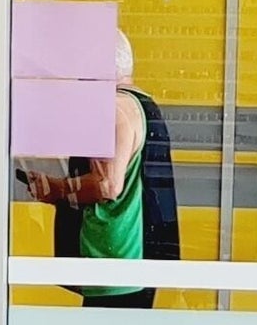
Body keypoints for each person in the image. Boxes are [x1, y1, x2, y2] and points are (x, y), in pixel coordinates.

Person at [20, 35, 180, 307]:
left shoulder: (111, 109)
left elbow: (107, 185)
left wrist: (56, 188)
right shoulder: (142, 104)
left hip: (111, 257)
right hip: (135, 258)